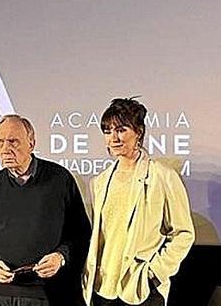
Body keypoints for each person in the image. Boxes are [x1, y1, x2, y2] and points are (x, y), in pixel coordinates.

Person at [83, 98, 194, 306]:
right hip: (102, 290)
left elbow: (183, 234)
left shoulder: (162, 176)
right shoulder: (100, 181)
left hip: (140, 289)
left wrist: (154, 273)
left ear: (139, 132)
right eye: (108, 131)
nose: (114, 138)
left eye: (121, 130)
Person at [0, 114, 90, 306]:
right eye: (0, 142)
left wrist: (61, 256)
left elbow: (81, 232)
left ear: (31, 144)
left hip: (49, 293)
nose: (5, 149)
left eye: (13, 141)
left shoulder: (60, 180)